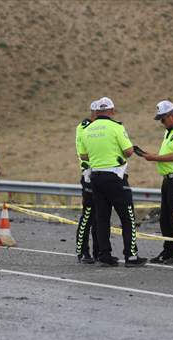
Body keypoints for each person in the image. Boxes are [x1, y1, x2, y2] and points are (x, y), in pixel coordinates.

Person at [77, 97, 147, 267]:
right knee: (127, 217)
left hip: (95, 178)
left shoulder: (87, 129)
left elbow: (84, 155)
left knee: (102, 218)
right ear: (111, 111)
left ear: (97, 112)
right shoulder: (117, 127)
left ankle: (104, 255)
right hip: (115, 177)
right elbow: (129, 151)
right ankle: (131, 256)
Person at [141, 100, 173, 264]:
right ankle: (169, 250)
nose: (162, 123)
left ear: (172, 115)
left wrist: (154, 157)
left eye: (163, 119)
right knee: (165, 218)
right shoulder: (169, 132)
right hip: (168, 180)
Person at [74, 100, 99, 264]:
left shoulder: (104, 127)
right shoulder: (84, 127)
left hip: (102, 174)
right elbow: (85, 152)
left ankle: (99, 250)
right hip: (89, 174)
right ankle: (82, 250)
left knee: (100, 215)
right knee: (88, 214)